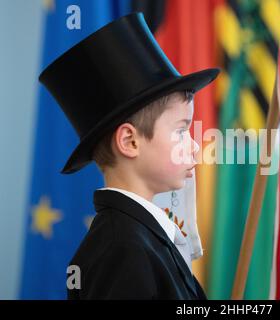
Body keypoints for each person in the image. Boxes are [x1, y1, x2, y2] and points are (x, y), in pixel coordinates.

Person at [39, 13, 219, 299]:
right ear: (130, 141)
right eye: (180, 131)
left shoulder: (145, 237)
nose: (195, 147)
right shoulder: (123, 249)